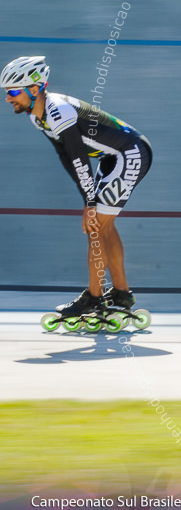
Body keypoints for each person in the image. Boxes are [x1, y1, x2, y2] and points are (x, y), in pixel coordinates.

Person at [2, 55, 152, 316]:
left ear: (34, 89)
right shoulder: (38, 117)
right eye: (6, 92)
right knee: (102, 227)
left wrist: (90, 204)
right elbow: (67, 158)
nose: (8, 98)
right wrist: (89, 202)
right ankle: (122, 294)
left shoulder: (58, 111)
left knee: (95, 227)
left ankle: (94, 298)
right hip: (113, 156)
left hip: (129, 153)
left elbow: (79, 159)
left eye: (13, 91)